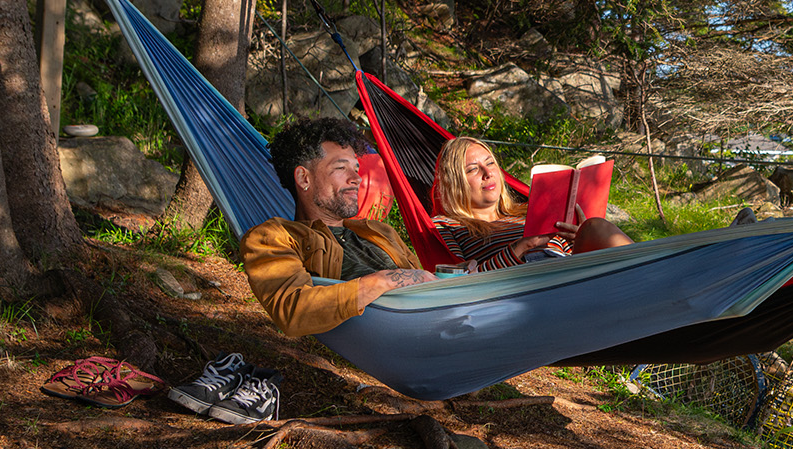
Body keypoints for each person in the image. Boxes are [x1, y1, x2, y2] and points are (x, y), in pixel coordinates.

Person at [242, 118, 437, 336]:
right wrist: (384, 281)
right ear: (304, 178)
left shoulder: (379, 231)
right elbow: (293, 311)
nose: (357, 178)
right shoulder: (274, 237)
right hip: (414, 336)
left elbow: (426, 284)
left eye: (356, 168)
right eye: (341, 168)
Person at [431, 135, 633, 270]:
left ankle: (648, 275)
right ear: (454, 181)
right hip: (524, 288)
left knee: (594, 227)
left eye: (490, 163)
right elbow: (458, 283)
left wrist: (576, 238)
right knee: (595, 228)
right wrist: (522, 247)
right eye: (473, 169)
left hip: (567, 271)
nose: (488, 173)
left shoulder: (527, 211)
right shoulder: (445, 225)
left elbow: (568, 253)